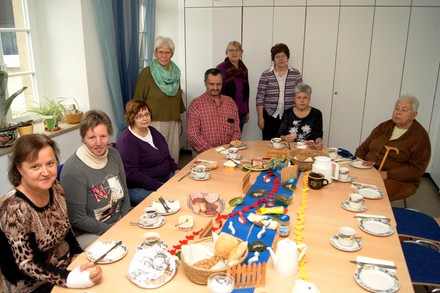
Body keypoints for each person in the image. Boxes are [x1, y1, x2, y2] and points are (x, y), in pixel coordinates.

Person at [0, 134, 102, 292]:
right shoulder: (15, 208)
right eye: (35, 166)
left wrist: (77, 253)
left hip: (66, 268)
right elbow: (28, 264)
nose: (46, 172)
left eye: (50, 163)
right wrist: (69, 278)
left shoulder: (55, 187)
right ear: (19, 168)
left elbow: (65, 227)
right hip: (33, 285)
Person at [60, 110, 131, 249]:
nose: (98, 143)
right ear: (83, 138)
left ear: (109, 135)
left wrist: (126, 219)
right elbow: (78, 219)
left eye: (103, 136)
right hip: (89, 233)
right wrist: (113, 230)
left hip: (118, 222)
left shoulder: (114, 155)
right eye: (92, 137)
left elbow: (125, 191)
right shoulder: (73, 170)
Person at [355, 94, 431, 201]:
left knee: (372, 193)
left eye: (404, 110)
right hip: (371, 170)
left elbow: (417, 169)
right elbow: (362, 149)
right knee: (346, 183)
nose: (398, 113)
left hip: (400, 180)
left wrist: (388, 174)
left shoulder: (420, 137)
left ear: (414, 115)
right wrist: (360, 163)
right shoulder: (384, 126)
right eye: (396, 108)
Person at [115, 100, 180, 206]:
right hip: (140, 187)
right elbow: (131, 174)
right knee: (171, 202)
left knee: (186, 189)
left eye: (146, 114)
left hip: (164, 178)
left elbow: (167, 157)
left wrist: (176, 170)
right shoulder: (126, 141)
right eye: (139, 116)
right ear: (131, 118)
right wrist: (159, 186)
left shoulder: (153, 131)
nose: (145, 118)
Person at [133, 36, 185, 163]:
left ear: (172, 54)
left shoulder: (176, 73)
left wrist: (179, 119)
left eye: (167, 52)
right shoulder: (147, 73)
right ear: (155, 53)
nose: (164, 56)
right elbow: (137, 100)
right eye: (160, 52)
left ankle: (172, 181)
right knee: (157, 157)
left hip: (173, 121)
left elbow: (177, 96)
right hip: (153, 122)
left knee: (173, 157)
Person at [186, 68, 241, 153]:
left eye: (218, 84)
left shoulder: (230, 103)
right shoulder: (196, 105)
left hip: (228, 153)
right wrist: (212, 152)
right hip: (204, 154)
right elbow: (193, 135)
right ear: (205, 83)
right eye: (211, 84)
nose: (215, 88)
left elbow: (237, 131)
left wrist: (229, 149)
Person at [256, 43, 303, 140]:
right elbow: (260, 98)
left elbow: (300, 95)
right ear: (273, 59)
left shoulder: (296, 74)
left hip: (290, 117)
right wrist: (260, 118)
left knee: (288, 144)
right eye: (277, 56)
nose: (281, 59)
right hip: (269, 116)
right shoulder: (266, 74)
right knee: (268, 145)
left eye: (283, 56)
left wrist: (299, 116)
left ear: (287, 57)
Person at [216, 41, 250, 132]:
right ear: (227, 53)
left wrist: (246, 111)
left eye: (237, 50)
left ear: (241, 52)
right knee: (225, 138)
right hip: (225, 110)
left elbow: (246, 92)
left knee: (237, 140)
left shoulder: (244, 69)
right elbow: (215, 90)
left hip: (241, 111)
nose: (234, 53)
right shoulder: (220, 68)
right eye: (231, 50)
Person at [278, 83, 323, 149]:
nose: (302, 101)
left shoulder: (316, 113)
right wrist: (285, 138)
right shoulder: (287, 113)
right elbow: (279, 135)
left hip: (309, 150)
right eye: (299, 97)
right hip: (290, 149)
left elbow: (318, 136)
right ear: (294, 98)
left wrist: (319, 142)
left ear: (309, 98)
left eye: (305, 97)